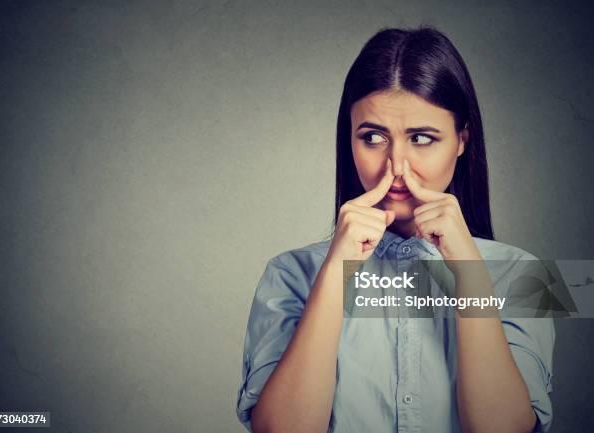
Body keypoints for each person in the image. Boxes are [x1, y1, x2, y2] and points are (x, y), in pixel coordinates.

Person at [236, 26, 555, 433]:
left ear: (462, 140)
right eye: (373, 137)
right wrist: (335, 273)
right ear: (348, 140)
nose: (397, 167)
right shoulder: (288, 274)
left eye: (422, 137)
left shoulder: (529, 275)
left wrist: (469, 273)